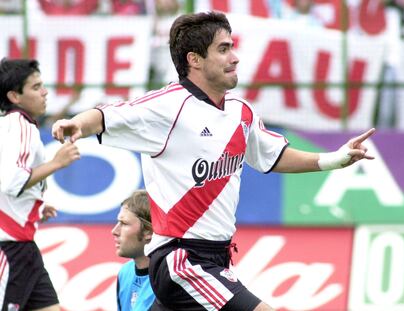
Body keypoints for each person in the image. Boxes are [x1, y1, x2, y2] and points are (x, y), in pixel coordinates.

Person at [52, 11, 375, 311]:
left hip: (217, 257)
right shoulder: (166, 107)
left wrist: (336, 158)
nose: (234, 57)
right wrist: (77, 124)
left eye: (232, 47)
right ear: (194, 59)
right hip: (182, 259)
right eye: (223, 49)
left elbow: (273, 156)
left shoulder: (240, 110)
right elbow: (107, 116)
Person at [0, 58, 80, 310]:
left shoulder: (13, 126)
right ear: (14, 96)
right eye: (36, 87)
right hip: (10, 247)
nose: (45, 92)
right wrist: (57, 163)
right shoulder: (20, 126)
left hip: (24, 246)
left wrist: (34, 204)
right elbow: (12, 181)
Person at [112, 189, 155, 310]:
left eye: (124, 223)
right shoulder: (125, 272)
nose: (114, 231)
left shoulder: (172, 279)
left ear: (149, 231)